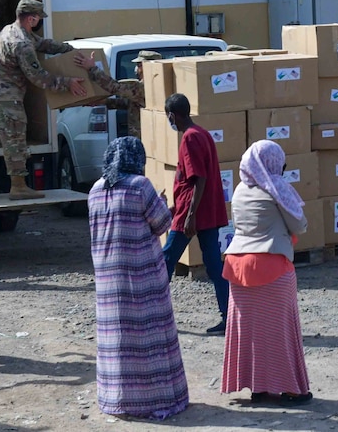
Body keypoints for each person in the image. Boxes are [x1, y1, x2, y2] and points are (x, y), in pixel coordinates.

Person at [89, 137, 189, 420]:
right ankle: (153, 400)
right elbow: (162, 224)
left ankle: (116, 399)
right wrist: (163, 203)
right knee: (149, 338)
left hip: (108, 279)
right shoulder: (140, 186)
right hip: (142, 276)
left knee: (118, 339)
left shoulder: (95, 190)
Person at [222, 141, 311, 406]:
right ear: (274, 164)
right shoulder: (277, 188)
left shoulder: (239, 190)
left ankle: (259, 388)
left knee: (251, 333)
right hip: (272, 266)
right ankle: (293, 389)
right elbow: (300, 225)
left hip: (237, 268)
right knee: (280, 332)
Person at [0, 0, 86, 201]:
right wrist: (67, 82)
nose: (39, 22)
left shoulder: (10, 30)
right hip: (6, 97)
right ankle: (18, 186)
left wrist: (67, 48)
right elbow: (39, 77)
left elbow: (42, 43)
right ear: (31, 18)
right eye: (38, 18)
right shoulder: (21, 44)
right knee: (14, 139)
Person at [162, 93, 230, 334]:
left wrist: (190, 214)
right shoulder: (202, 133)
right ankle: (229, 316)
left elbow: (198, 178)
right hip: (206, 212)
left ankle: (155, 314)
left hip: (192, 213)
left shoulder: (190, 138)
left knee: (165, 260)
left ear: (172, 115)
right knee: (213, 265)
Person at [74, 50, 161, 138]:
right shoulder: (155, 85)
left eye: (139, 65)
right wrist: (103, 102)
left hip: (146, 139)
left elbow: (114, 87)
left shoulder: (144, 86)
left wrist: (92, 68)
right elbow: (131, 103)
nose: (137, 69)